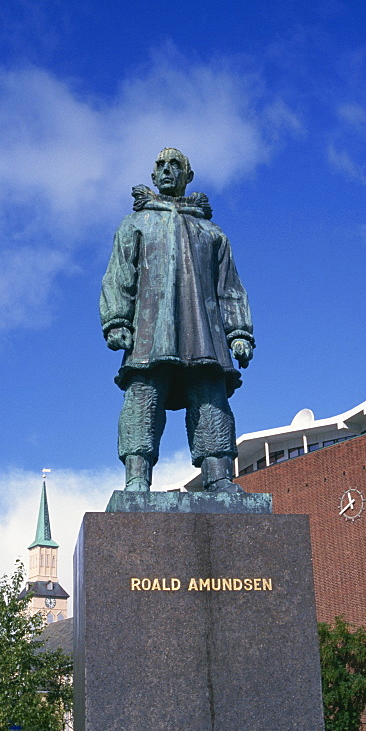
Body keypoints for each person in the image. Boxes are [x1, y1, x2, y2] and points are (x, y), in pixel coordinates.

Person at [100, 147, 254, 492]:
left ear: (188, 176)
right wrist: (118, 320)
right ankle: (137, 477)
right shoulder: (135, 223)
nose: (167, 170)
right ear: (154, 175)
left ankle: (219, 475)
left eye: (176, 165)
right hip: (150, 331)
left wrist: (238, 331)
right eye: (161, 165)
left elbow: (229, 286)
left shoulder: (212, 232)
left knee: (210, 396)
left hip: (203, 331)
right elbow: (119, 275)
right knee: (143, 396)